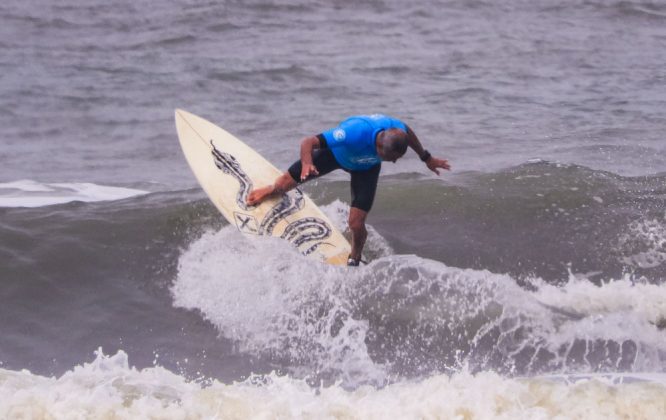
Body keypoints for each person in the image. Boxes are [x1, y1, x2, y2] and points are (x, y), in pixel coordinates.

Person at [247, 114, 450, 266]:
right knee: (283, 185)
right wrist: (307, 164)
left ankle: (355, 257)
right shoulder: (354, 132)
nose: (395, 162)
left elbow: (407, 131)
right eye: (391, 158)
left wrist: (427, 158)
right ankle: (270, 189)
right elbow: (308, 142)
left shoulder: (397, 130)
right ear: (379, 146)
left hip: (366, 168)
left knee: (356, 222)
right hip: (335, 156)